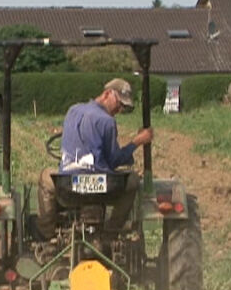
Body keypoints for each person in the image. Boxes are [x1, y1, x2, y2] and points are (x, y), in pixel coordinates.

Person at [38, 78, 155, 234]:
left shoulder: (72, 111)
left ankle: (47, 232)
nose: (119, 110)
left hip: (68, 184)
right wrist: (136, 142)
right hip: (102, 186)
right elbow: (114, 160)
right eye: (119, 103)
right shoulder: (107, 122)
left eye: (123, 107)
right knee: (132, 180)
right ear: (107, 94)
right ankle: (113, 229)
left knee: (46, 177)